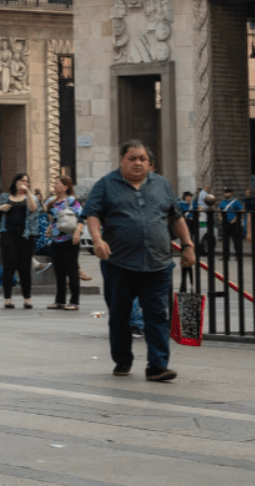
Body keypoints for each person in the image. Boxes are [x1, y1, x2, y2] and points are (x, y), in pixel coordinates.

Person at [84, 140, 196, 383]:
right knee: (120, 315)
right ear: (122, 160)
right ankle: (123, 359)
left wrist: (187, 245)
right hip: (119, 264)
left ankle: (157, 366)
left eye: (142, 159)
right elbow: (92, 214)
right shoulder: (106, 185)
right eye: (132, 158)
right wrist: (97, 240)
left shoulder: (162, 184)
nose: (138, 163)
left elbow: (176, 217)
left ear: (149, 162)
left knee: (157, 314)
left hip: (158, 263)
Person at [0, 173, 41, 310]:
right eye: (22, 181)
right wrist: (0, 208)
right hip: (8, 235)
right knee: (9, 267)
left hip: (26, 236)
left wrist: (29, 192)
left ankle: (27, 299)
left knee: (25, 268)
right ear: (15, 182)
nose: (24, 183)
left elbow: (33, 208)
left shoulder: (30, 197)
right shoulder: (4, 197)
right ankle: (7, 299)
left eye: (27, 181)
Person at [46, 176, 85, 310]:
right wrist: (49, 228)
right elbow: (54, 219)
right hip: (56, 240)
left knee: (72, 270)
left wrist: (77, 232)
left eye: (57, 183)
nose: (55, 186)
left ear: (65, 187)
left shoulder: (72, 200)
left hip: (70, 240)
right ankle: (60, 300)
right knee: (59, 271)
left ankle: (74, 301)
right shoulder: (52, 202)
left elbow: (81, 216)